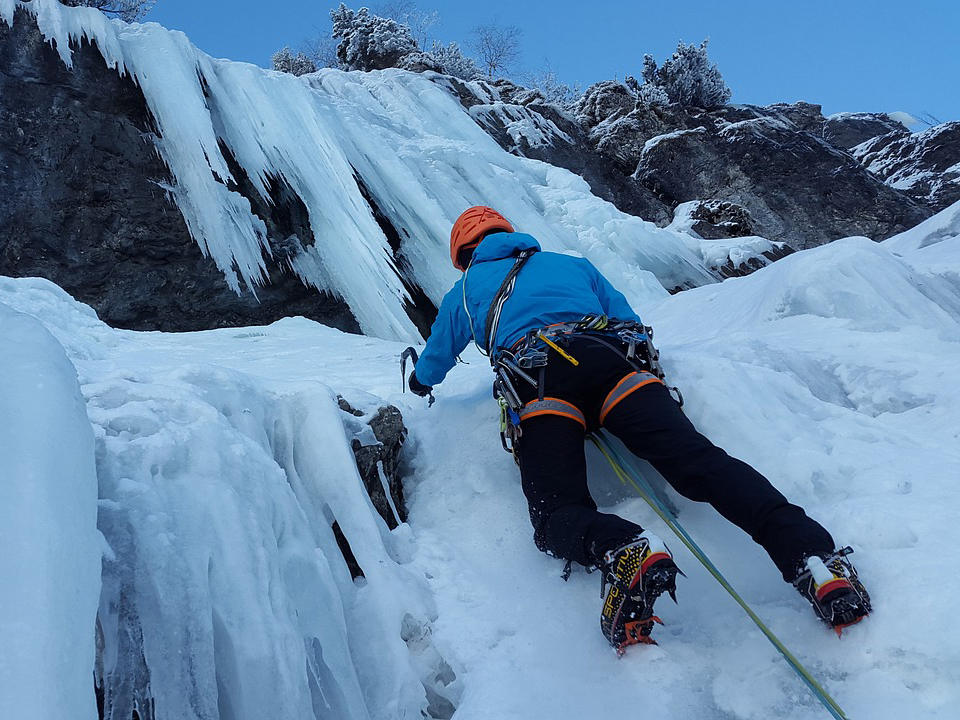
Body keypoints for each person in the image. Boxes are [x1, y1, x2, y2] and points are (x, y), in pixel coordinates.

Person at [407, 206, 871, 653]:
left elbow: (437, 358)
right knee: (700, 464)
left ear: (464, 254)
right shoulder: (571, 265)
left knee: (555, 513)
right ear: (510, 236)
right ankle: (815, 559)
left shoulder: (465, 291)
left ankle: (622, 548)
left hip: (542, 382)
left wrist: (418, 381)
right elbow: (627, 319)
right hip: (616, 367)